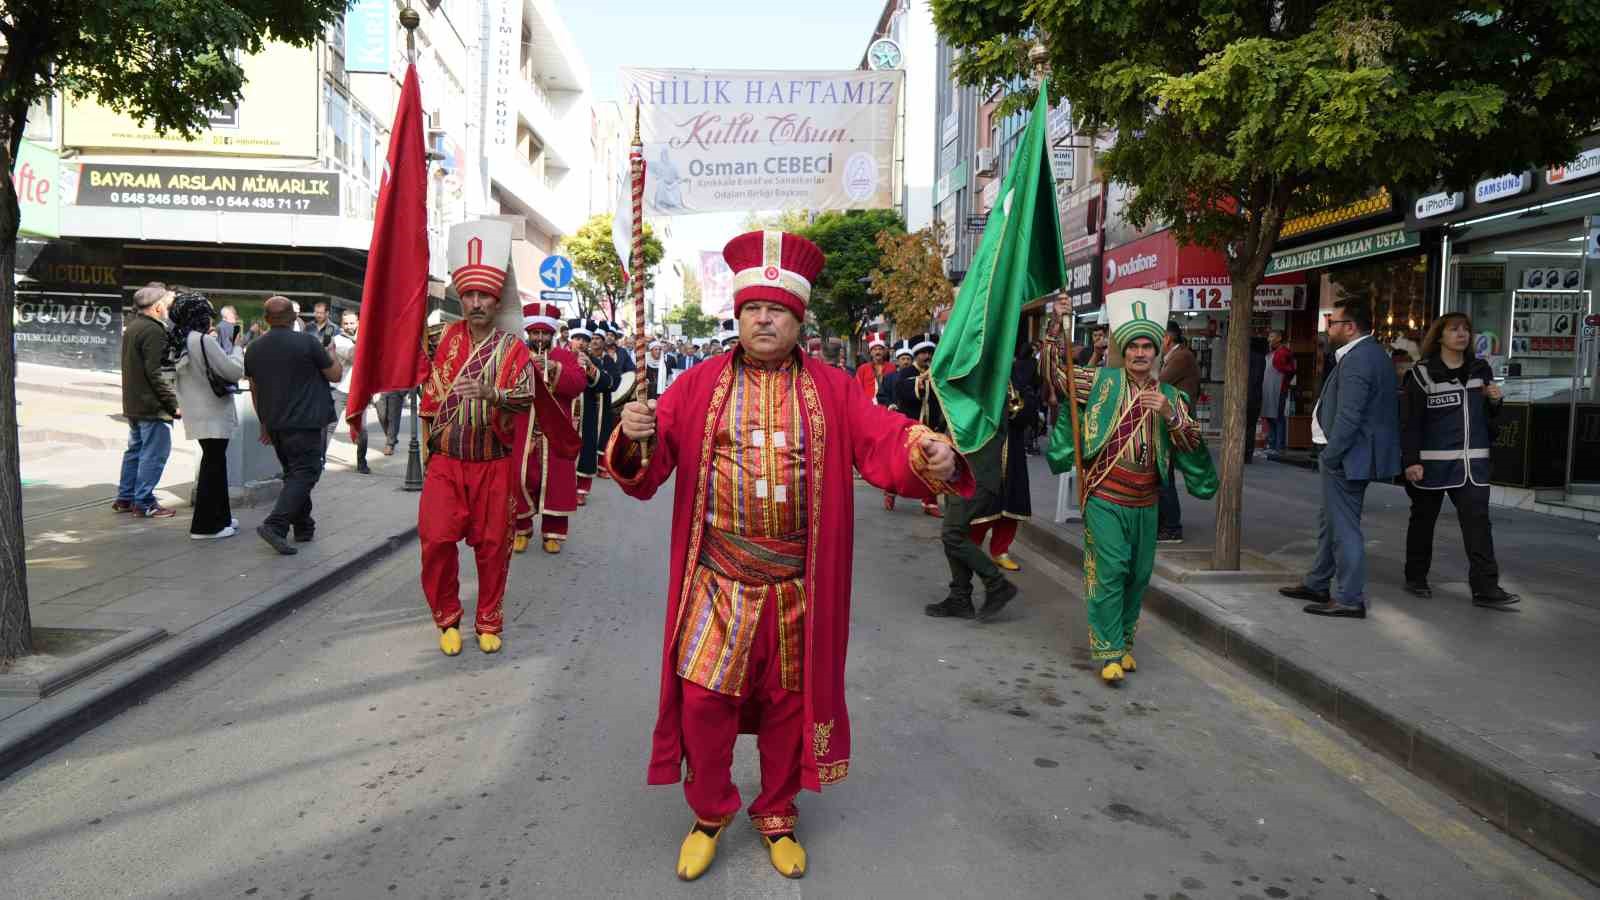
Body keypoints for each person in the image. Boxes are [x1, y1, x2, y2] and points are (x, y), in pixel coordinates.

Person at [607, 229, 970, 882]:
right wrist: (633, 435)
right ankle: (711, 810)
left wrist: (927, 449)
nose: (764, 318)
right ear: (738, 317)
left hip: (796, 586)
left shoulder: (832, 388)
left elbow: (882, 437)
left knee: (785, 706)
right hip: (716, 580)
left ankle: (776, 812)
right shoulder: (696, 386)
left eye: (776, 310)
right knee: (702, 702)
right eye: (752, 309)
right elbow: (649, 465)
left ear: (799, 319)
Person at [1046, 289, 1218, 683]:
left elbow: (1191, 443)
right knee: (1110, 570)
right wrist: (1057, 325)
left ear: (1157, 352)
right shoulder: (1100, 382)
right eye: (1133, 347)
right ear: (1123, 352)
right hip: (1106, 495)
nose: (1140, 354)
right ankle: (1106, 652)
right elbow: (1059, 375)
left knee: (1138, 576)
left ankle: (1123, 643)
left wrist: (1172, 415)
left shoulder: (1171, 396)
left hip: (1147, 501)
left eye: (1147, 347)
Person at [416, 225, 536, 655]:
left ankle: (489, 619)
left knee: (491, 546)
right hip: (446, 463)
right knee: (435, 541)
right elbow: (428, 403)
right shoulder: (442, 340)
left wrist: (493, 394)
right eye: (469, 295)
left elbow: (524, 400)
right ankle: (447, 618)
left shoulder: (513, 348)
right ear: (460, 299)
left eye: (485, 296)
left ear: (497, 300)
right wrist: (429, 454)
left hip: (492, 462)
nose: (477, 303)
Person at [1279, 298, 1401, 619]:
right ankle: (1318, 581)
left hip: (1347, 457)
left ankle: (1349, 596)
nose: (1327, 327)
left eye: (1332, 323)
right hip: (1348, 455)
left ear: (1349, 328)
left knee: (1344, 527)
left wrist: (1331, 456)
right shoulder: (1363, 355)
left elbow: (1350, 416)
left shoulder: (1360, 359)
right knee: (1330, 522)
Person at [1400, 313, 1519, 608]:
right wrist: (1411, 460)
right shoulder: (1421, 374)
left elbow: (1491, 420)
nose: (1462, 334)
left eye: (1466, 329)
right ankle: (1416, 577)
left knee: (1479, 525)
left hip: (1472, 466)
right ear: (1439, 336)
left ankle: (1485, 587)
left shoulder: (1481, 370)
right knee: (1423, 522)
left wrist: (1494, 401)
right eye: (1454, 329)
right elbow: (1410, 422)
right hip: (1431, 465)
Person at [245, 296, 342, 555]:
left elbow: (255, 388)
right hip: (306, 422)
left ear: (266, 320)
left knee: (294, 473)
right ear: (293, 318)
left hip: (276, 423)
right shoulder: (308, 342)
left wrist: (264, 423)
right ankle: (275, 525)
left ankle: (303, 526)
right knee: (306, 472)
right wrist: (332, 355)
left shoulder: (253, 348)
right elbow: (336, 375)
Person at [169, 291, 244, 539]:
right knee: (213, 466)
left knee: (214, 463)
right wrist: (236, 347)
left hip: (195, 411)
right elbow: (233, 371)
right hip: (213, 410)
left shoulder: (178, 340)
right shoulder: (202, 341)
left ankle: (220, 518)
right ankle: (205, 526)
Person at [513, 302, 586, 555]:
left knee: (556, 480)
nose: (540, 338)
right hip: (524, 428)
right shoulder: (516, 354)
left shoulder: (565, 357)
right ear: (528, 333)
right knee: (519, 477)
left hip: (555, 430)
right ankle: (521, 528)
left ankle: (553, 533)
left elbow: (578, 384)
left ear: (552, 334)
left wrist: (556, 370)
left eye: (545, 333)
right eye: (535, 333)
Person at [967, 339, 1038, 573]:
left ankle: (1000, 550)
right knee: (984, 502)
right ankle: (971, 548)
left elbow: (1030, 413)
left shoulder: (1019, 380)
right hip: (986, 449)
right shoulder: (978, 380)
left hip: (1014, 449)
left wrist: (1018, 408)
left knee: (1012, 502)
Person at [115, 282, 180, 518]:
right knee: (154, 454)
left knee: (135, 451)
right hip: (153, 407)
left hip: (134, 404)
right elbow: (156, 373)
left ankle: (126, 497)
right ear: (158, 307)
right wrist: (174, 404)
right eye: (168, 305)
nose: (169, 309)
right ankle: (144, 502)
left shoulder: (133, 327)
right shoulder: (154, 330)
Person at [892, 334, 947, 518]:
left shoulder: (937, 372)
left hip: (932, 427)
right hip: (911, 426)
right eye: (923, 353)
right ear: (916, 354)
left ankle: (930, 502)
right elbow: (901, 391)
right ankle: (890, 490)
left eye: (929, 352)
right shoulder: (907, 373)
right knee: (903, 465)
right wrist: (920, 382)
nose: (927, 356)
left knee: (932, 464)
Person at [1156, 320, 1200, 543]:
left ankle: (1172, 527)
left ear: (1166, 338)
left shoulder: (1181, 357)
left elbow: (1159, 383)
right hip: (1170, 421)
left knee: (1165, 473)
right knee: (1162, 473)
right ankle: (1164, 523)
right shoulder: (1176, 356)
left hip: (1176, 423)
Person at [569, 318, 612, 504]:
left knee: (586, 448)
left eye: (585, 339)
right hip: (563, 410)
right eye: (577, 338)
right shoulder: (557, 357)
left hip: (587, 412)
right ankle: (562, 487)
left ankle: (580, 490)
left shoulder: (594, 361)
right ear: (571, 339)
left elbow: (606, 384)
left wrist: (590, 368)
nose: (581, 342)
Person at [328, 311, 371, 474]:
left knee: (362, 429)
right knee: (330, 425)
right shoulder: (338, 340)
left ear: (358, 323)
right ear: (341, 324)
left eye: (352, 323)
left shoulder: (365, 338)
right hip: (341, 389)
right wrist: (360, 339)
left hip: (360, 391)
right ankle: (321, 459)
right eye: (346, 323)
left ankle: (362, 463)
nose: (349, 326)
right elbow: (354, 356)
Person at [1262, 329, 1294, 457]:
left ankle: (1279, 447)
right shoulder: (1271, 353)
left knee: (1278, 418)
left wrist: (1284, 381)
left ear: (1279, 338)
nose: (1269, 339)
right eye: (1269, 336)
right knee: (1270, 417)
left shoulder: (1284, 352)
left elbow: (1290, 370)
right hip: (1268, 389)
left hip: (1278, 390)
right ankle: (1272, 444)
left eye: (1271, 336)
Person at [853, 332, 896, 402]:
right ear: (870, 352)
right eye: (875, 349)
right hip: (868, 406)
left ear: (884, 351)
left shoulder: (891, 367)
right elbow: (857, 389)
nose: (878, 351)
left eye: (880, 349)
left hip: (886, 406)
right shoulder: (862, 369)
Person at [1245, 335, 1268, 464]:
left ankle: (1242, 452)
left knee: (1244, 425)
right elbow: (1258, 378)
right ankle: (1248, 454)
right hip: (1255, 396)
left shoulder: (1244, 357)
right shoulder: (1261, 358)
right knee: (1251, 426)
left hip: (1245, 395)